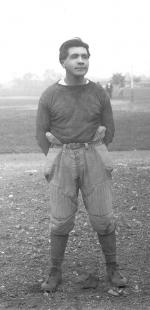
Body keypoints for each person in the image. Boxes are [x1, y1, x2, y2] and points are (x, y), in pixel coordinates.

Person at [36, 37, 127, 292]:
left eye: (84, 56)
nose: (80, 60)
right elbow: (40, 133)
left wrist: (93, 149)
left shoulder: (98, 92)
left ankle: (113, 269)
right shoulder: (50, 94)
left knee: (104, 217)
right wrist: (58, 156)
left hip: (93, 156)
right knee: (61, 220)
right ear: (63, 61)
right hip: (62, 158)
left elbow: (109, 131)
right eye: (74, 56)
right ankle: (54, 272)